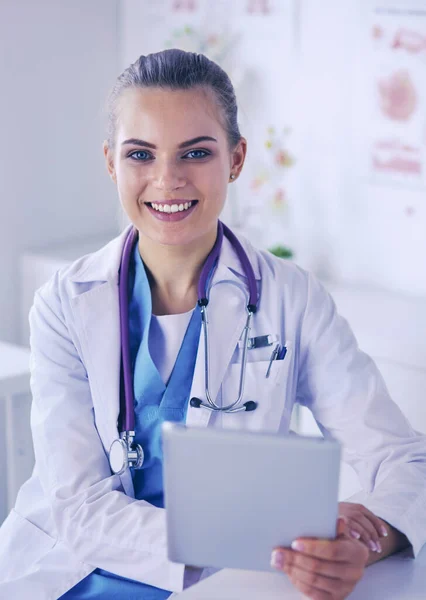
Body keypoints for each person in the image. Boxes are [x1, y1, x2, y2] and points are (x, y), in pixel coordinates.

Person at [0, 48, 425, 600]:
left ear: (236, 159)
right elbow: (79, 506)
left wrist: (368, 538)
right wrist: (248, 538)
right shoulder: (64, 303)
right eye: (140, 154)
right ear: (110, 162)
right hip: (65, 568)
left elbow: (401, 457)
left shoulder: (291, 299)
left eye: (196, 152)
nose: (167, 179)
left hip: (227, 579)